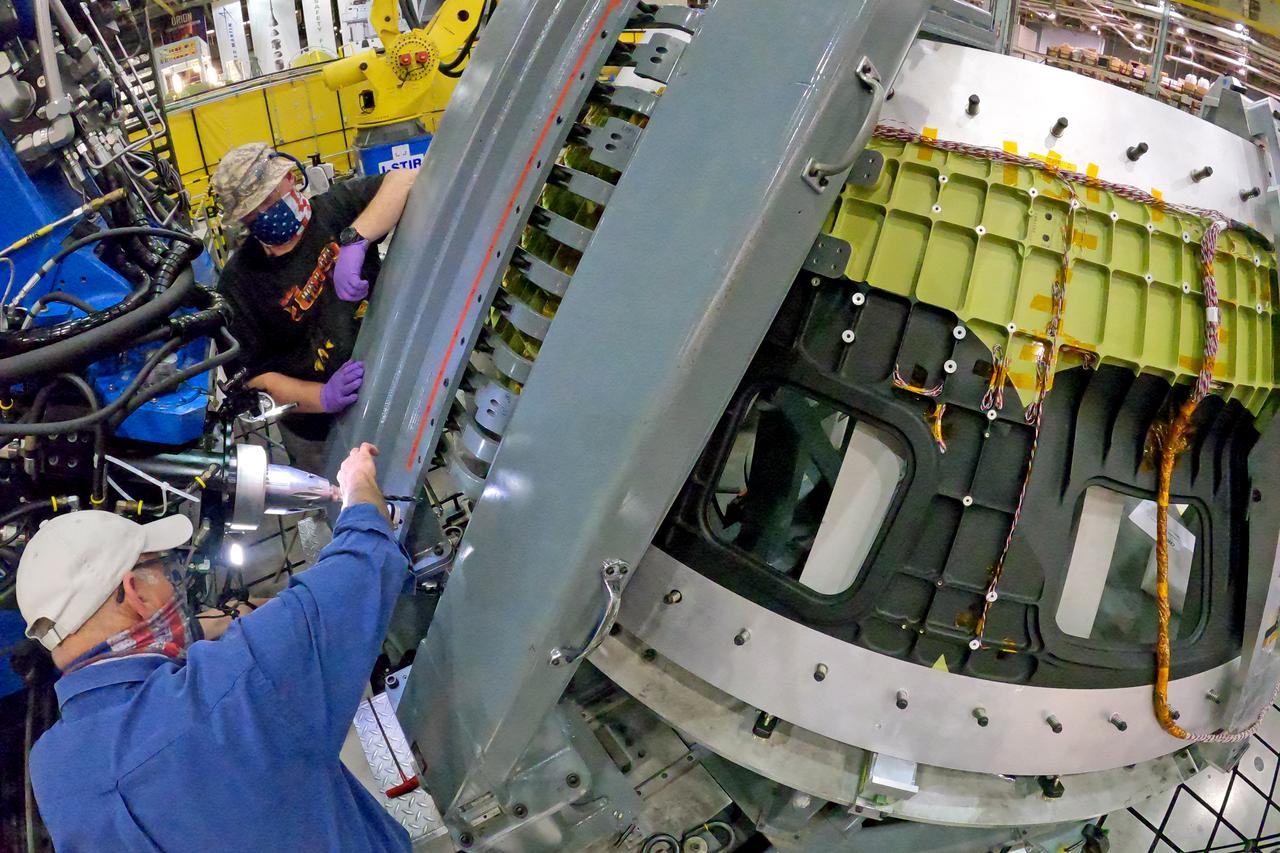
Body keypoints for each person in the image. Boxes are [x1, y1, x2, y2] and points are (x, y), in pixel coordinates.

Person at [18, 443, 413, 852]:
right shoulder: (234, 684)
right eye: (163, 568)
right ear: (135, 592)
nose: (175, 582)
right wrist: (359, 482)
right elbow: (364, 563)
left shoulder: (52, 770)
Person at [211, 142, 418, 470]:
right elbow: (253, 378)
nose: (264, 214)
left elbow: (404, 179)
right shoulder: (239, 284)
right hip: (318, 431)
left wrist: (356, 240)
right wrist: (321, 396)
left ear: (289, 179)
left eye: (269, 199)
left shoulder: (334, 211)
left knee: (407, 468)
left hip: (391, 388)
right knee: (337, 490)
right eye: (252, 212)